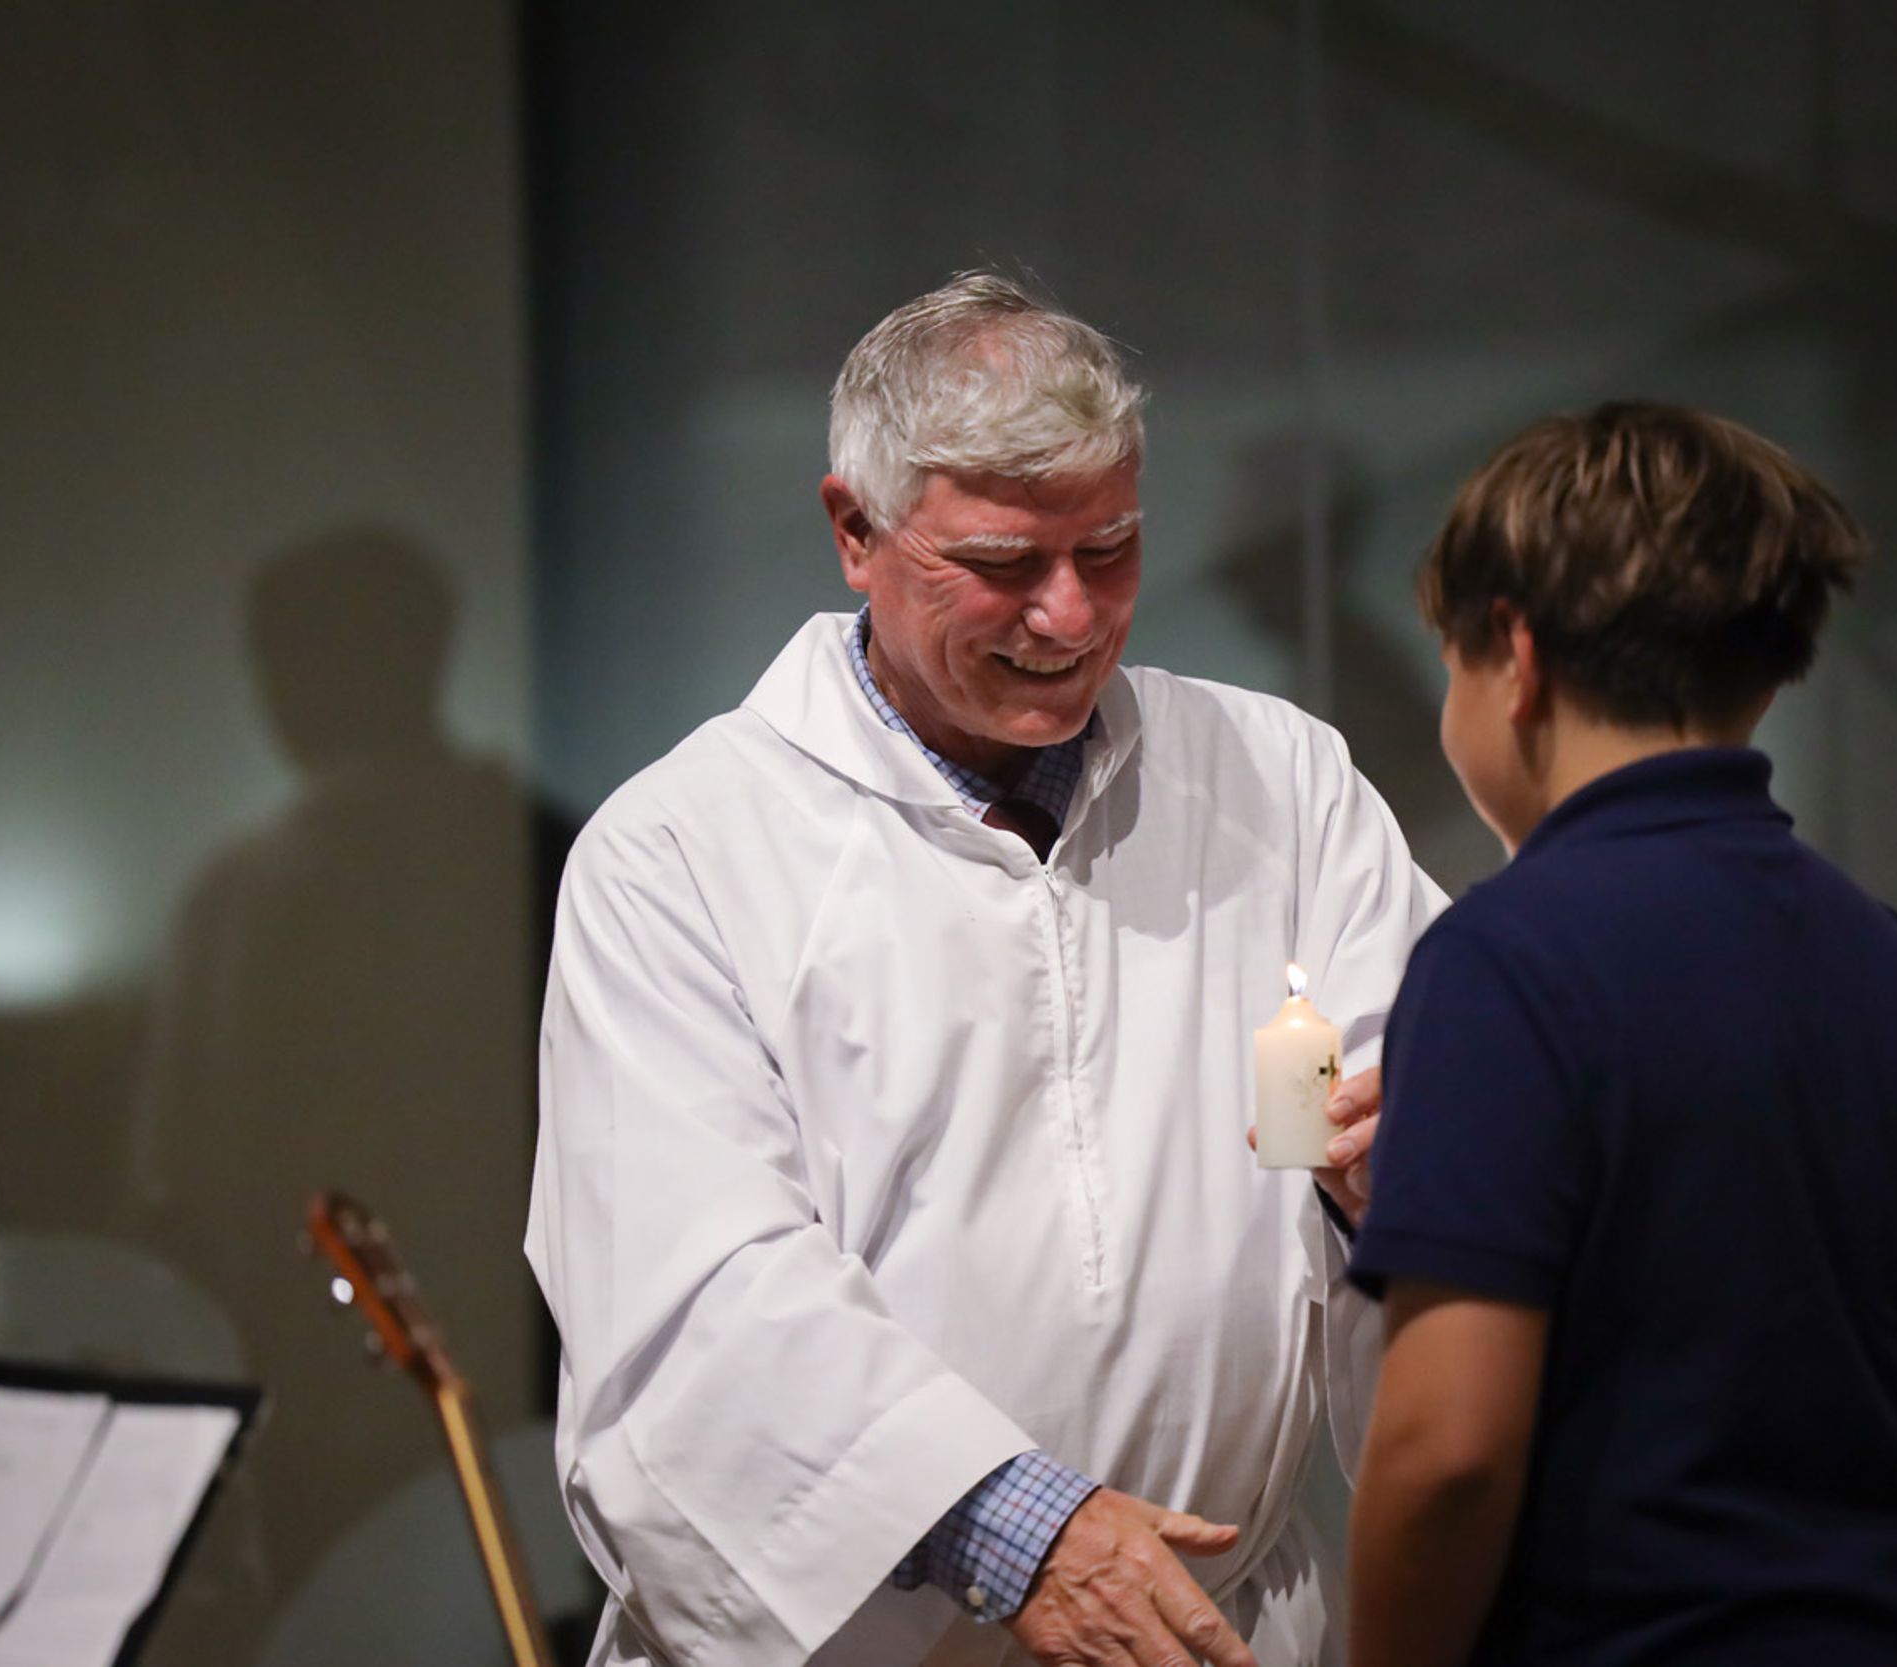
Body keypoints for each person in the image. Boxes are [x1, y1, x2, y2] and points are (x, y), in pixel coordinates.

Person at [526, 273, 1442, 1667]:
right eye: (1005, 562)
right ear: (855, 530)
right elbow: (696, 1298)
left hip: (1212, 1622)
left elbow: (1435, 1100)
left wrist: (1408, 1179)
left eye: (1111, 547)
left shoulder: (1279, 779)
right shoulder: (679, 854)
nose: (1069, 616)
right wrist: (1016, 1527)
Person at [1345, 402, 1897, 1667]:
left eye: (1448, 661)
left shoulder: (1502, 960)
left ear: (1512, 653)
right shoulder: (1896, 962)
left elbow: (1447, 1451)